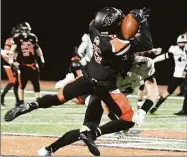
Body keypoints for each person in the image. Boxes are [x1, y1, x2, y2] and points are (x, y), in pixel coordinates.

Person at [5, 7, 153, 156]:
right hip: (104, 87)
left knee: (57, 98)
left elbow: (103, 23)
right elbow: (146, 44)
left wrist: (127, 19)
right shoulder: (117, 46)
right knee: (128, 118)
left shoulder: (93, 29)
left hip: (86, 78)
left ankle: (33, 109)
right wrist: (142, 20)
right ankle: (93, 134)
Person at [8, 22, 45, 105]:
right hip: (23, 65)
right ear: (21, 30)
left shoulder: (33, 37)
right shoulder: (17, 38)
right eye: (24, 30)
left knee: (36, 83)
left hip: (33, 64)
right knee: (22, 84)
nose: (26, 32)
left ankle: (38, 100)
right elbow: (11, 51)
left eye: (27, 30)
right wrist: (11, 62)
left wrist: (42, 59)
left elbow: (37, 48)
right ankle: (21, 101)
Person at [150, 34, 187, 114]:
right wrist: (153, 61)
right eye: (180, 42)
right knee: (168, 91)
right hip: (178, 74)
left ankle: (184, 110)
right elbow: (164, 56)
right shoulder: (174, 49)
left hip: (186, 74)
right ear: (177, 43)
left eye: (184, 42)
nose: (182, 44)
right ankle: (156, 106)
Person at [1, 26, 20, 107]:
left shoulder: (20, 40)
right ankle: (1, 97)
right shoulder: (10, 40)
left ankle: (18, 101)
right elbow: (4, 53)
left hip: (15, 62)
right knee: (12, 81)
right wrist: (11, 63)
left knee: (18, 82)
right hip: (8, 62)